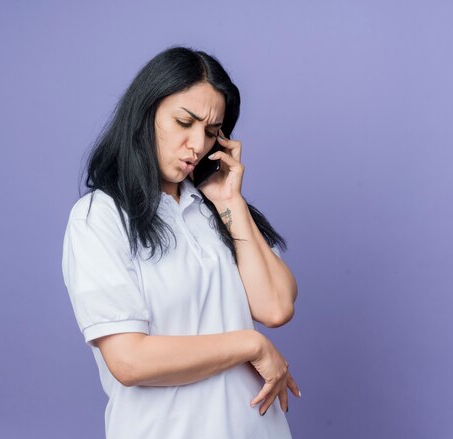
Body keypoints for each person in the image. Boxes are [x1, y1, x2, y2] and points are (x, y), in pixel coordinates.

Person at [61, 46, 300, 438]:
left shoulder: (216, 209)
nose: (196, 146)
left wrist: (229, 201)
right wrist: (250, 345)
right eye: (183, 122)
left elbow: (275, 307)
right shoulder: (100, 217)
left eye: (210, 133)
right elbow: (130, 361)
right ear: (145, 112)